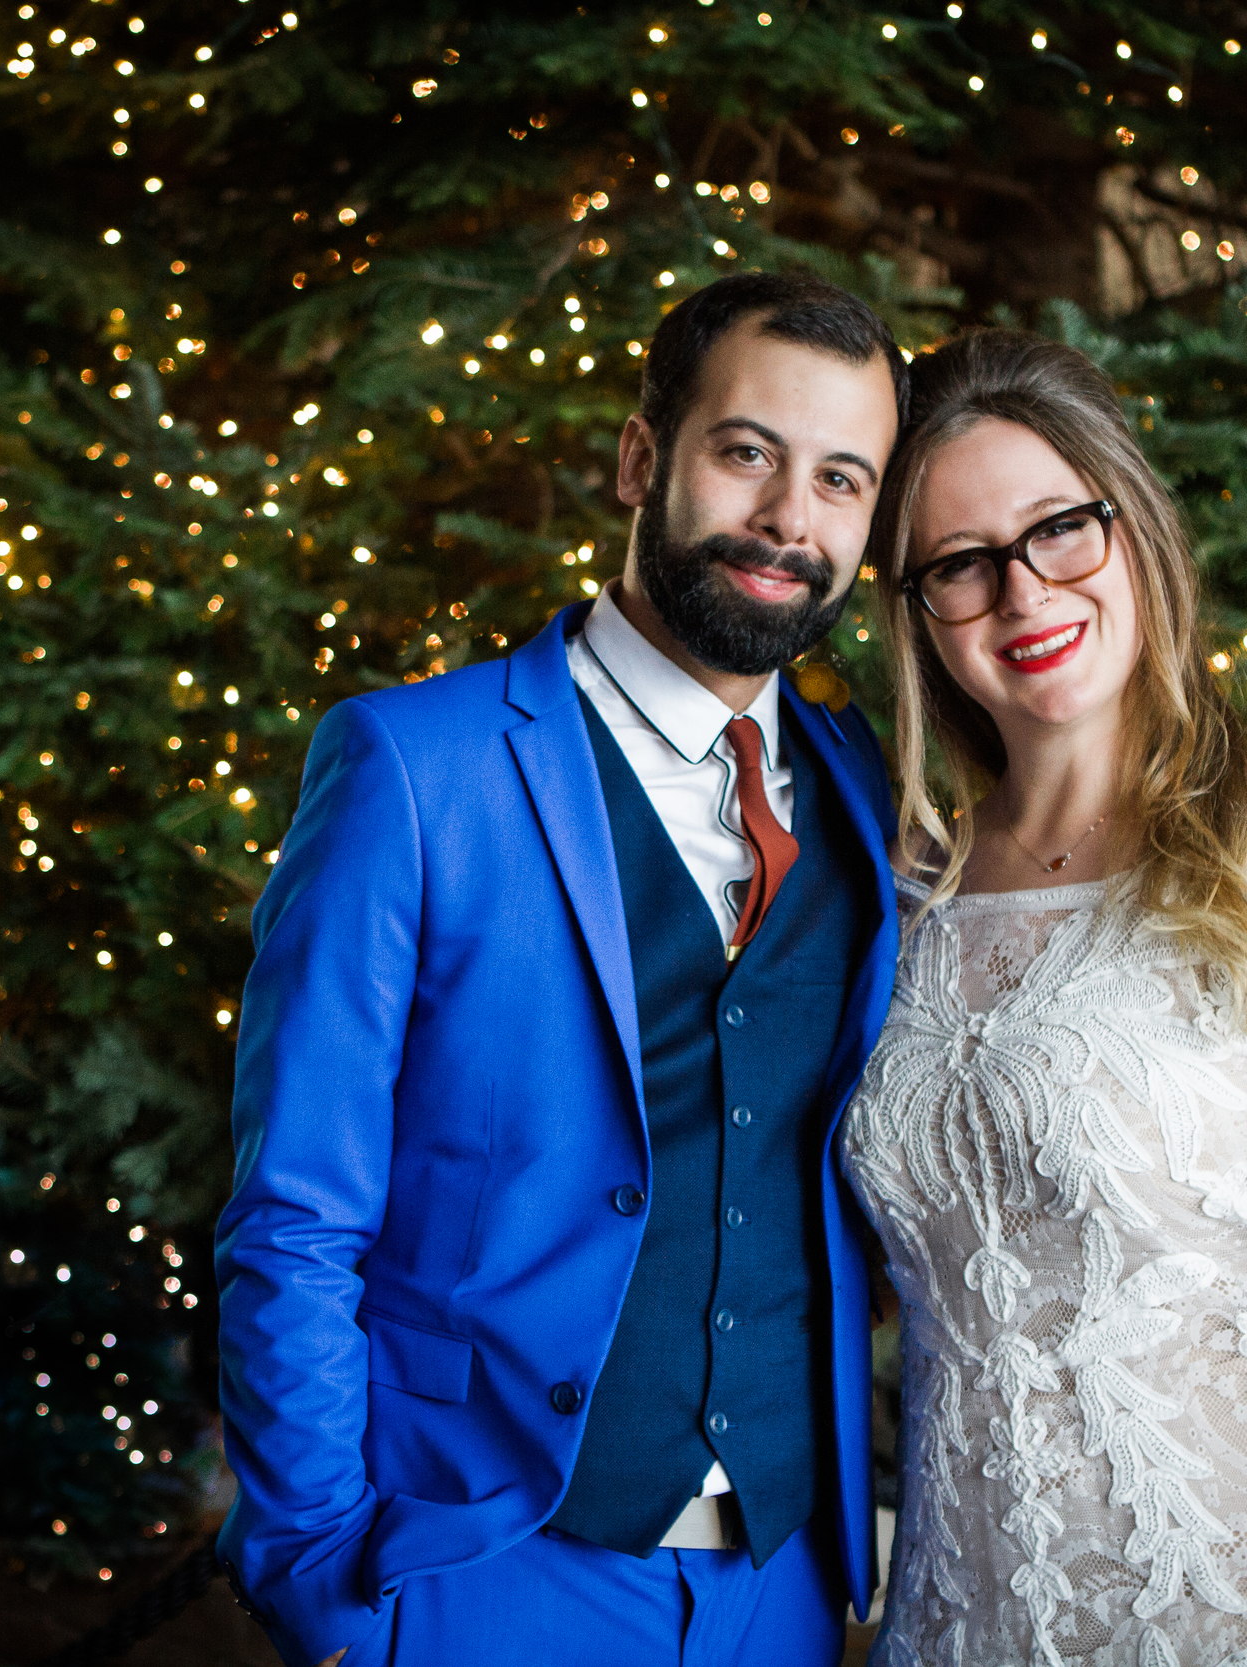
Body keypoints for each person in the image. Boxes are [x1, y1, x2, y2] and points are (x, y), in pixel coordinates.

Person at [213, 271, 910, 1667]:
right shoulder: (415, 768)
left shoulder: (865, 797)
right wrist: (320, 1579)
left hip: (786, 1586)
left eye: (842, 480)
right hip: (479, 1575)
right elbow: (294, 1214)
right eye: (745, 454)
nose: (789, 519)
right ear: (643, 459)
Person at [841, 329, 1247, 1667]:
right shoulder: (896, 896)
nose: (1023, 594)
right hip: (971, 1618)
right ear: (916, 610)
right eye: (961, 564)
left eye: (1058, 531)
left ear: (1131, 528)